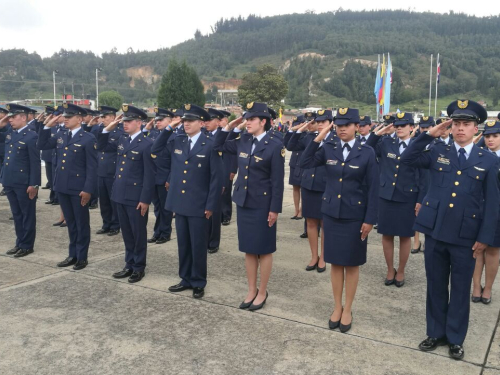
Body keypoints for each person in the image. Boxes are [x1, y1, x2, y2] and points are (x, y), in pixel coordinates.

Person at [402, 100, 499, 360]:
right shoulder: (437, 150)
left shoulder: (488, 161)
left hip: (466, 236)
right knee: (435, 285)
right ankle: (435, 332)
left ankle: (455, 338)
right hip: (435, 231)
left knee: (459, 289)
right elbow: (407, 158)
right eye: (456, 123)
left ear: (475, 129)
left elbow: (492, 204)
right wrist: (428, 134)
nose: (460, 129)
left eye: (466, 124)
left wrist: (485, 238)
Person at [300, 107, 379, 333]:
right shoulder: (328, 148)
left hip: (355, 217)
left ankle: (348, 309)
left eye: (347, 124)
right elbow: (305, 162)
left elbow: (373, 189)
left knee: (352, 264)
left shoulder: (367, 152)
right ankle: (337, 306)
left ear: (357, 126)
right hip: (332, 214)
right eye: (339, 124)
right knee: (335, 263)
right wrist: (319, 136)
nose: (342, 128)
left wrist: (370, 220)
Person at [214, 102, 285, 310]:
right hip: (244, 202)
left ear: (263, 122)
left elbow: (277, 181)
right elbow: (217, 145)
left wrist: (275, 209)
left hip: (263, 205)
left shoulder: (274, 145)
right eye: (246, 119)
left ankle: (262, 291)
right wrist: (230, 127)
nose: (248, 122)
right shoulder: (243, 139)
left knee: (264, 249)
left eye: (252, 119)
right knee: (248, 249)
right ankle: (251, 289)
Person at [152, 103, 223, 298]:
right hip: (180, 202)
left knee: (198, 245)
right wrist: (169, 127)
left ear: (201, 122)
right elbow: (155, 148)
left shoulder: (210, 145)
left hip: (199, 204)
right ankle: (185, 278)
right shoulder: (178, 140)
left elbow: (216, 179)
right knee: (183, 243)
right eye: (184, 121)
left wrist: (211, 205)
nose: (186, 124)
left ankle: (198, 281)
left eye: (190, 121)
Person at [98, 105, 155, 283]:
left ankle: (139, 267)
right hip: (120, 195)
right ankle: (129, 264)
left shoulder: (147, 144)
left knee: (138, 233)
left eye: (128, 121)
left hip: (136, 197)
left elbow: (149, 175)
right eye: (124, 121)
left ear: (139, 122)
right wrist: (108, 128)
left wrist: (145, 199)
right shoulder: (122, 140)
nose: (125, 124)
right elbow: (101, 145)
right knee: (127, 233)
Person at [366, 113, 425, 287]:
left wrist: (420, 199)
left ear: (411, 127)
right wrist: (377, 133)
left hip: (408, 197)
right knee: (387, 234)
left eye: (403, 125)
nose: (399, 128)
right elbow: (367, 149)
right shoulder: (386, 143)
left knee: (405, 236)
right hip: (386, 195)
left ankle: (401, 270)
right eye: (396, 125)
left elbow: (423, 176)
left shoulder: (417, 146)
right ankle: (390, 269)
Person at [37, 103, 98, 270]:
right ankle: (73, 254)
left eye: (68, 117)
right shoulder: (61, 135)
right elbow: (42, 145)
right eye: (65, 116)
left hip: (79, 189)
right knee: (71, 223)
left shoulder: (88, 138)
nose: (65, 119)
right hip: (62, 187)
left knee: (81, 223)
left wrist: (88, 190)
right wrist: (46, 127)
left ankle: (82, 257)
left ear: (79, 119)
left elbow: (92, 168)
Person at [288, 113, 329, 273]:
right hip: (309, 184)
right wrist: (301, 128)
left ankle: (324, 257)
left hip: (325, 185)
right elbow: (290, 145)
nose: (319, 124)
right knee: (311, 222)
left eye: (323, 122)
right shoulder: (308, 137)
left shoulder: (334, 140)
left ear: (331, 123)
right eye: (317, 122)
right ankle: (314, 256)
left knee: (324, 224)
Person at [1, 104, 41, 257]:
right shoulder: (11, 133)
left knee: (27, 214)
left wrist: (34, 184)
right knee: (17, 214)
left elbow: (35, 163)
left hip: (24, 183)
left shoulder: (31, 136)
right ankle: (19, 242)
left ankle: (27, 245)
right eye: (9, 117)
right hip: (10, 181)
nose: (10, 120)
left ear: (23, 118)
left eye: (13, 117)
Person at [471, 119, 500, 305]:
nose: (490, 140)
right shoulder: (478, 155)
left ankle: (488, 288)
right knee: (475, 250)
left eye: (495, 136)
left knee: (492, 250)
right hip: (476, 209)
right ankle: (475, 286)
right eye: (487, 136)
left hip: (497, 212)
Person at [90, 106, 122, 236]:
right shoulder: (99, 130)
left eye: (105, 117)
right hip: (101, 169)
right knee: (103, 201)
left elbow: (109, 147)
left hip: (112, 170)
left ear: (113, 117)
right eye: (101, 117)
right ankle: (106, 223)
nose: (102, 119)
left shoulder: (119, 132)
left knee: (112, 200)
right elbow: (94, 141)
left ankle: (115, 224)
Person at [147, 107, 174, 244]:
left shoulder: (174, 137)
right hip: (154, 177)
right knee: (157, 208)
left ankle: (165, 232)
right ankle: (157, 232)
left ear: (170, 121)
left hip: (165, 178)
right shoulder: (153, 135)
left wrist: (170, 179)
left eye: (161, 120)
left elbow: (175, 162)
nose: (157, 123)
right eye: (156, 121)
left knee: (165, 208)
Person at [219, 110, 238, 226]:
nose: (219, 122)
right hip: (217, 166)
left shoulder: (231, 133)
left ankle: (226, 215)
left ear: (226, 121)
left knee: (226, 193)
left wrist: (233, 169)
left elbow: (234, 153)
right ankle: (218, 214)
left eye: (221, 120)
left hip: (227, 166)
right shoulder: (216, 133)